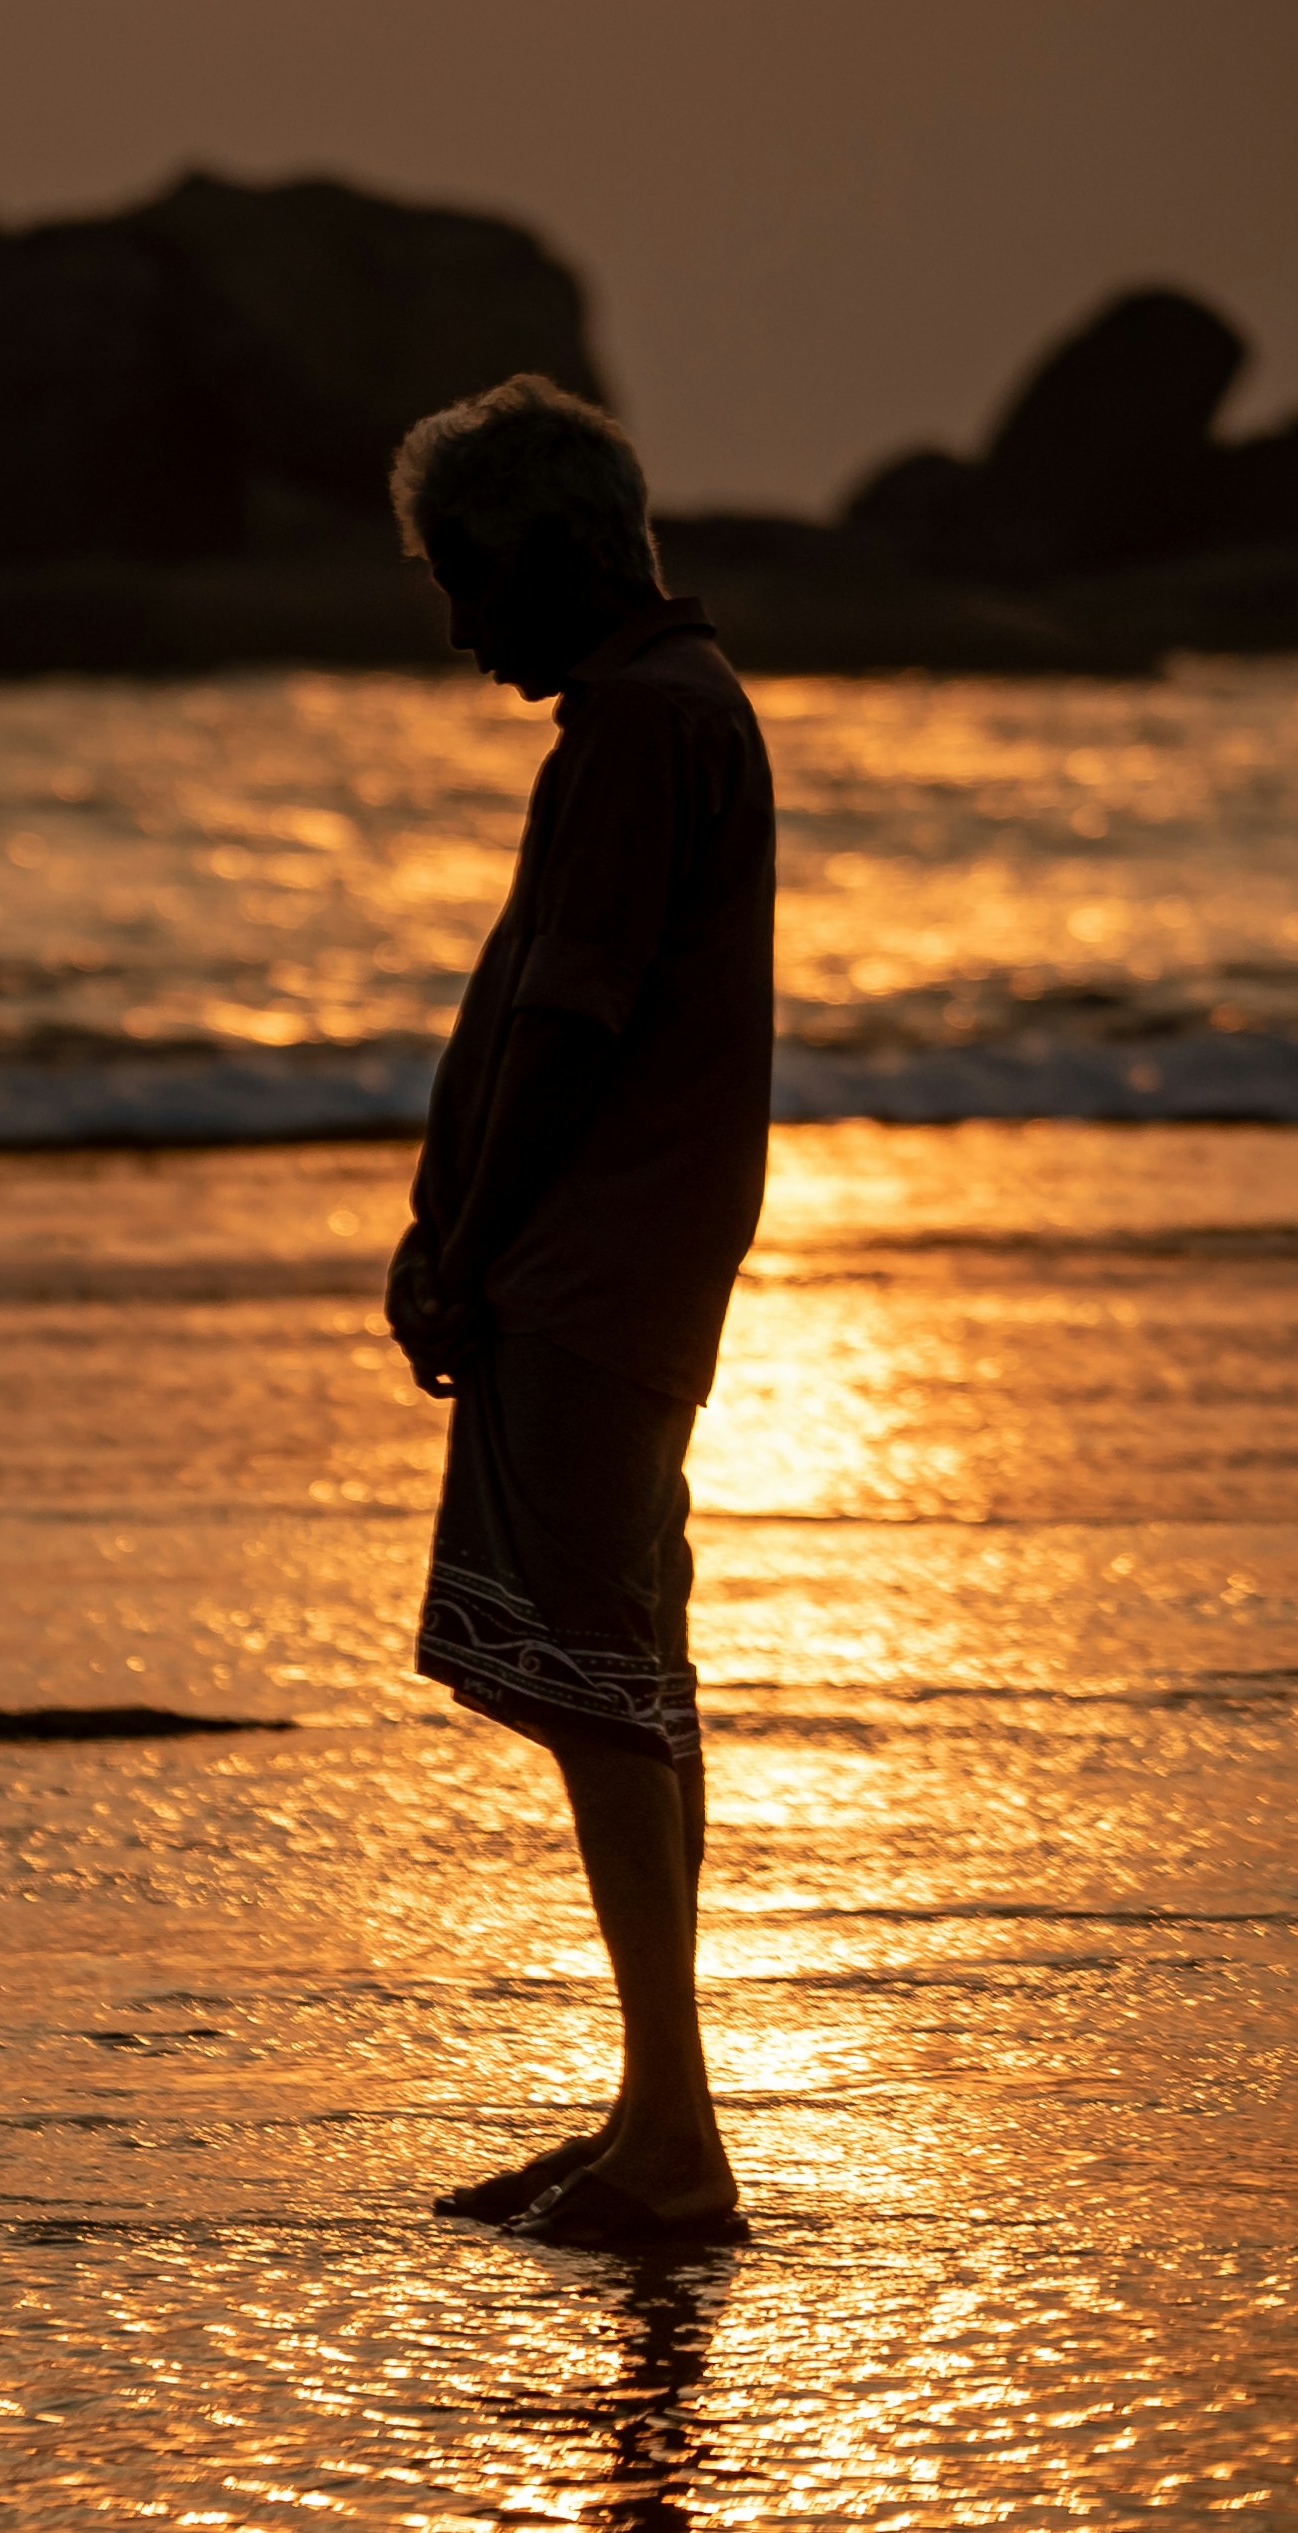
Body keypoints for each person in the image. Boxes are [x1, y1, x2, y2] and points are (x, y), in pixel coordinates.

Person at [383, 375, 775, 2249]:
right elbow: (547, 992)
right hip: (613, 1264)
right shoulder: (667, 714)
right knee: (622, 1672)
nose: (462, 632)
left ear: (553, 551)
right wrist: (448, 1216)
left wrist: (472, 1240)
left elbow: (572, 1015)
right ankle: (654, 2111)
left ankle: (677, 2135)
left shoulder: (637, 725)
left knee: (608, 1678)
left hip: (593, 1271)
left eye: (471, 579)